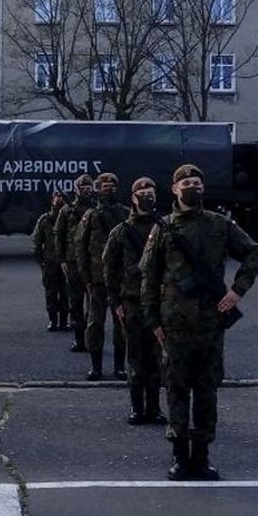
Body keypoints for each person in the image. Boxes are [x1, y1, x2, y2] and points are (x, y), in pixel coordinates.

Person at [141, 164, 258, 481]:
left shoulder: (219, 225)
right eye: (186, 183)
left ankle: (203, 456)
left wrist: (237, 291)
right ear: (174, 188)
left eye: (197, 182)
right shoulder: (163, 228)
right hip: (174, 325)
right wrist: (152, 319)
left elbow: (252, 254)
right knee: (177, 390)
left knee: (207, 391)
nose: (192, 187)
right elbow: (148, 279)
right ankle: (180, 456)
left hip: (211, 324)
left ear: (203, 189)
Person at [104, 177, 165, 424]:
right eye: (143, 192)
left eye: (151, 192)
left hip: (159, 302)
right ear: (133, 197)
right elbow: (109, 268)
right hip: (131, 302)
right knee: (136, 357)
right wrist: (115, 302)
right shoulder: (121, 232)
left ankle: (154, 408)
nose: (147, 196)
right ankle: (137, 408)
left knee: (156, 357)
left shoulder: (165, 228)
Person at [77, 172, 130, 380]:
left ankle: (119, 366)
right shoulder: (90, 216)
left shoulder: (126, 213)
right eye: (105, 186)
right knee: (95, 323)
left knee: (121, 324)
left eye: (113, 186)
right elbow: (81, 248)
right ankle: (96, 366)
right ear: (97, 190)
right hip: (97, 280)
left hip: (120, 279)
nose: (110, 189)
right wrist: (85, 278)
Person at [54, 174, 96, 352]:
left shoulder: (97, 208)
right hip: (72, 263)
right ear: (76, 189)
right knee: (76, 303)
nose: (86, 190)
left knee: (94, 304)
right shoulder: (67, 210)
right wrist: (62, 259)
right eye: (82, 188)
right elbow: (59, 236)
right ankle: (79, 340)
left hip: (94, 262)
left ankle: (92, 339)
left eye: (89, 187)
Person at [31, 191, 69, 331]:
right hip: (50, 263)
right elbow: (36, 241)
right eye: (56, 197)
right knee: (51, 293)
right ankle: (53, 321)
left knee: (66, 293)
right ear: (52, 200)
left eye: (62, 197)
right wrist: (41, 261)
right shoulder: (45, 219)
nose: (59, 200)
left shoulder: (69, 217)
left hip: (65, 262)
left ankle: (64, 321)